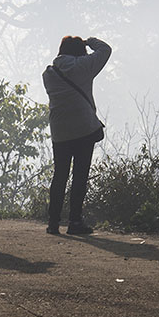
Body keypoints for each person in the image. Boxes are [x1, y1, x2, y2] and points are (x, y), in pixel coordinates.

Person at [42, 35, 112, 235]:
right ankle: (75, 221)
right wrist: (90, 41)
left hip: (60, 131)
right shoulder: (83, 67)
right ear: (80, 52)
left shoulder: (48, 73)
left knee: (60, 176)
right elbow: (105, 50)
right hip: (83, 129)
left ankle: (53, 222)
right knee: (80, 176)